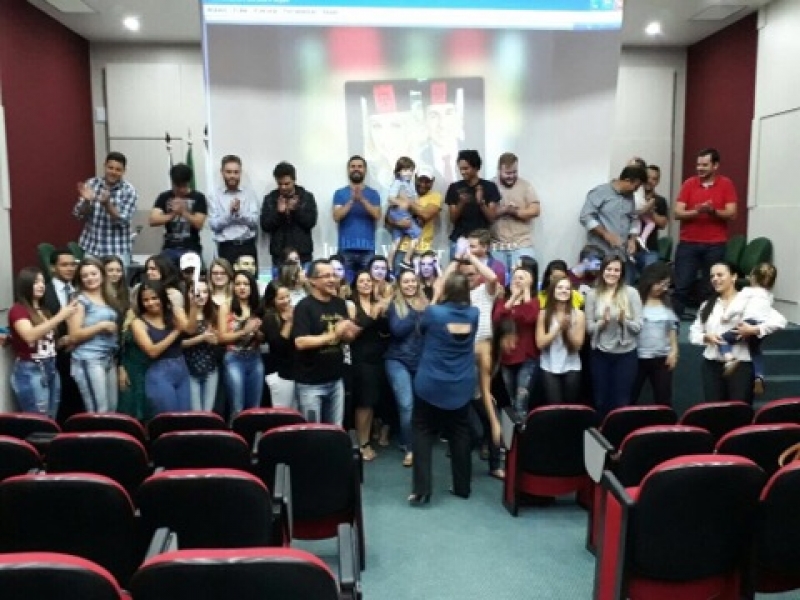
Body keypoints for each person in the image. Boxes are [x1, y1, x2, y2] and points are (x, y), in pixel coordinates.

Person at [410, 271, 479, 505]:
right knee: (460, 433)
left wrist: (435, 296)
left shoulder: (434, 312)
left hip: (430, 383)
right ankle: (462, 488)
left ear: (446, 290)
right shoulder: (474, 313)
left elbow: (420, 329)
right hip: (461, 384)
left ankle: (422, 489)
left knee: (422, 431)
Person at [690, 262, 786, 403]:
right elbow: (694, 333)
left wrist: (755, 329)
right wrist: (706, 337)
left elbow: (779, 321)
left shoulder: (750, 298)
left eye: (720, 275)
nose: (715, 279)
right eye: (712, 276)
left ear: (734, 277)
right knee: (713, 409)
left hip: (742, 365)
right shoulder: (706, 305)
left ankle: (757, 376)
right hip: (712, 364)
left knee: (740, 409)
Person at [292, 259, 361, 425]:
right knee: (313, 432)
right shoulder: (304, 306)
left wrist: (351, 332)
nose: (332, 280)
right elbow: (300, 342)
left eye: (334, 275)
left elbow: (346, 338)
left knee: (335, 431)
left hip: (336, 380)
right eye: (326, 276)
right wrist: (333, 334)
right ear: (313, 281)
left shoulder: (340, 304)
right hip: (310, 384)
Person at [673, 148, 738, 319]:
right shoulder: (689, 184)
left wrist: (713, 211)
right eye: (698, 165)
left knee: (710, 287)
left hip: (715, 245)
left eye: (704, 165)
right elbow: (677, 213)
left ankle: (708, 321)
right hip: (688, 243)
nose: (700, 168)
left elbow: (732, 213)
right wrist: (698, 211)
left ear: (715, 166)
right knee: (681, 285)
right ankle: (673, 323)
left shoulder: (726, 184)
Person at [455, 248, 503, 479]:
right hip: (462, 361)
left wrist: (472, 257)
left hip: (484, 357)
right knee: (467, 424)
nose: (469, 278)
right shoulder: (456, 298)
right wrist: (458, 262)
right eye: (464, 275)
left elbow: (492, 277)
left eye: (472, 274)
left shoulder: (485, 292)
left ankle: (495, 464)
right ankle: (462, 464)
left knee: (490, 415)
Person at [9, 267, 78, 418]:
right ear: (25, 285)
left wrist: (64, 341)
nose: (41, 285)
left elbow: (45, 344)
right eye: (35, 282)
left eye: (42, 282)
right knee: (38, 420)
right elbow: (29, 336)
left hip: (51, 368)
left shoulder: (44, 310)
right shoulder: (18, 310)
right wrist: (60, 317)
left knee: (51, 418)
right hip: (31, 370)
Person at [585, 255, 643, 419]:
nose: (612, 273)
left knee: (621, 401)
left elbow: (638, 327)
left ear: (621, 273)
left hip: (625, 355)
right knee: (600, 399)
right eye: (609, 269)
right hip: (600, 354)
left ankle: (618, 433)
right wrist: (602, 323)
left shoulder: (632, 293)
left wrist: (624, 321)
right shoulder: (592, 294)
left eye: (616, 270)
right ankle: (601, 432)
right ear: (602, 271)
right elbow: (589, 328)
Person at [131, 279, 196, 415]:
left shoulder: (175, 312)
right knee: (168, 419)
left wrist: (193, 305)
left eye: (154, 298)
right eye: (145, 300)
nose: (150, 303)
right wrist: (176, 332)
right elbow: (152, 351)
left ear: (162, 297)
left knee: (185, 417)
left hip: (182, 369)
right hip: (159, 374)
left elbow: (190, 330)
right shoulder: (138, 323)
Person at [385, 269, 428, 468]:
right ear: (399, 285)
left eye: (413, 281)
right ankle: (409, 448)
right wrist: (414, 311)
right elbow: (398, 330)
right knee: (406, 405)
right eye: (406, 282)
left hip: (421, 361)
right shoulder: (395, 305)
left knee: (420, 406)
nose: (410, 285)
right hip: (397, 360)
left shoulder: (427, 304)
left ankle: (411, 441)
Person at [67, 257, 121, 413]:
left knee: (112, 408)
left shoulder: (108, 297)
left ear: (102, 274)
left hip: (109, 358)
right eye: (85, 276)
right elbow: (74, 335)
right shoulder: (79, 300)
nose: (90, 278)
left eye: (93, 274)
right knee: (99, 411)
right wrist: (100, 326)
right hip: (89, 359)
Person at [719, 263, 779, 394]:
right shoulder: (769, 296)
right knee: (755, 350)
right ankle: (759, 376)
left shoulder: (747, 291)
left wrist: (726, 316)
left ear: (753, 278)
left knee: (723, 339)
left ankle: (729, 359)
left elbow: (736, 307)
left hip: (748, 323)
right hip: (761, 327)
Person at [579, 165, 647, 282]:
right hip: (598, 251)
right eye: (635, 187)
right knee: (595, 286)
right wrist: (606, 234)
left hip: (620, 254)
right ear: (627, 180)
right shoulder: (600, 192)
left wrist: (632, 239)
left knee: (623, 288)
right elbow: (585, 216)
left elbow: (633, 218)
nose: (635, 191)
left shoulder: (630, 197)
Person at [349, 271, 391, 462]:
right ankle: (362, 443)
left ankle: (365, 439)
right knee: (363, 402)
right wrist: (373, 316)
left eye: (369, 281)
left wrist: (383, 313)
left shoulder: (377, 303)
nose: (366, 284)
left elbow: (385, 331)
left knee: (372, 401)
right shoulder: (351, 305)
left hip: (378, 358)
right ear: (356, 285)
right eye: (362, 281)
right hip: (360, 358)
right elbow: (353, 332)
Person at [73, 152, 138, 267]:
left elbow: (123, 221)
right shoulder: (91, 184)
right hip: (91, 248)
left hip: (117, 250)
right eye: (110, 168)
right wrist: (87, 201)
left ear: (124, 171)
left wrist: (107, 205)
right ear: (104, 166)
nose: (113, 172)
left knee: (117, 279)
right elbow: (79, 215)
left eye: (118, 169)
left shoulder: (129, 190)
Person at [492, 266, 540, 416]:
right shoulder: (503, 301)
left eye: (522, 278)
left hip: (527, 358)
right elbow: (497, 319)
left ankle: (522, 428)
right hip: (506, 357)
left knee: (521, 401)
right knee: (510, 399)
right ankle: (512, 428)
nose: (518, 280)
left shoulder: (534, 301)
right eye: (515, 277)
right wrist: (513, 297)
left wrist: (526, 292)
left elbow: (530, 317)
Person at [42, 248, 82, 421]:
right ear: (53, 268)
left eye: (73, 265)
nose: (70, 268)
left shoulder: (80, 290)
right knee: (58, 408)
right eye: (64, 265)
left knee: (80, 408)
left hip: (80, 356)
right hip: (55, 358)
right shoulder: (43, 292)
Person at [218, 270, 265, 419]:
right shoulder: (226, 306)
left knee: (255, 408)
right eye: (238, 284)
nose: (242, 287)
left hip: (255, 357)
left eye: (246, 284)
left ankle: (253, 434)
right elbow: (221, 338)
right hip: (234, 358)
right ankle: (235, 434)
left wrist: (257, 333)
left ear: (252, 287)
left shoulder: (257, 306)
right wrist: (244, 331)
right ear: (233, 286)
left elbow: (263, 338)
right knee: (237, 407)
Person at [632, 262, 678, 407]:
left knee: (664, 399)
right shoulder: (636, 299)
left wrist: (674, 351)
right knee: (630, 397)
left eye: (667, 285)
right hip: (636, 357)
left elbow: (672, 327)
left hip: (662, 358)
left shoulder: (667, 302)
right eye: (660, 284)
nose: (663, 288)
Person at [261, 161, 318, 273]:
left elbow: (311, 222)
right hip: (279, 255)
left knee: (304, 283)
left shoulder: (306, 197)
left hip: (303, 254)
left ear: (294, 180)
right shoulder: (270, 199)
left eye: (287, 184)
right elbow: (265, 226)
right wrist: (279, 213)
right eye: (280, 184)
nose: (283, 187)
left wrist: (295, 211)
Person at [536, 275, 586, 405]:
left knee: (570, 407)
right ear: (553, 291)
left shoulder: (579, 315)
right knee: (554, 407)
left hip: (572, 366)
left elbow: (578, 345)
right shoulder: (543, 314)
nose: (564, 291)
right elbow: (540, 343)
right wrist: (558, 328)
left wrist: (567, 331)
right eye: (560, 287)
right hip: (549, 366)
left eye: (567, 288)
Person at [491, 152, 541, 279]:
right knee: (498, 284)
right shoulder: (490, 186)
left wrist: (515, 212)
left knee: (525, 280)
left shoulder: (525, 186)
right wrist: (503, 210)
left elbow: (535, 210)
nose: (511, 176)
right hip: (496, 246)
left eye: (514, 172)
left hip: (521, 244)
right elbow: (485, 213)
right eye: (507, 173)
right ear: (499, 170)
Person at [149, 163, 208, 267]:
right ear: (172, 182)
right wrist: (173, 214)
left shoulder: (198, 197)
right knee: (163, 271)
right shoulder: (164, 197)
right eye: (177, 186)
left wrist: (183, 212)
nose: (181, 190)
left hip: (191, 248)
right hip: (169, 248)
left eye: (184, 186)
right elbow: (153, 220)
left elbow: (199, 224)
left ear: (189, 182)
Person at [332, 156, 382, 280]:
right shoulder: (340, 193)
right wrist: (352, 200)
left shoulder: (373, 193)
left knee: (367, 284)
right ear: (348, 169)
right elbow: (336, 216)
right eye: (353, 166)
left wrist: (362, 199)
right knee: (345, 284)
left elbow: (377, 215)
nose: (356, 169)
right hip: (345, 248)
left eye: (360, 166)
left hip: (367, 249)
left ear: (365, 170)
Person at [385, 167, 442, 274]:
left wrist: (408, 201)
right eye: (420, 180)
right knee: (400, 281)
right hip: (402, 249)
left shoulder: (435, 196)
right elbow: (388, 218)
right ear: (415, 178)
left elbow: (426, 215)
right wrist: (397, 223)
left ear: (432, 181)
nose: (423, 184)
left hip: (424, 250)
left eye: (427, 181)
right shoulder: (402, 190)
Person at [208, 155, 260, 269]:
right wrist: (230, 214)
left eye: (236, 172)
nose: (232, 176)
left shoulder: (249, 193)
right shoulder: (214, 196)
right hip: (226, 247)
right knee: (226, 278)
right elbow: (213, 225)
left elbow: (255, 221)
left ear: (240, 173)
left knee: (249, 279)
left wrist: (239, 213)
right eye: (229, 172)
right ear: (222, 172)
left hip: (247, 245)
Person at [446, 150, 500, 257]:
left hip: (482, 242)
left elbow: (492, 218)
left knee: (482, 268)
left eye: (466, 168)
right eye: (461, 169)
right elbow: (452, 219)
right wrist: (461, 202)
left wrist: (481, 203)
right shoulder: (454, 187)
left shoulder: (490, 187)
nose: (462, 172)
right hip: (459, 239)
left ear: (476, 168)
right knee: (457, 268)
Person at [181, 277, 220, 412]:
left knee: (208, 412)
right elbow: (179, 344)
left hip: (211, 369)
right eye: (196, 292)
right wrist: (202, 337)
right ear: (188, 294)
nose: (201, 296)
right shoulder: (183, 315)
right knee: (196, 413)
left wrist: (215, 339)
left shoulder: (213, 314)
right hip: (189, 370)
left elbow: (219, 340)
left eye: (205, 292)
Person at [262, 281, 297, 409]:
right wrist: (289, 322)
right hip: (280, 374)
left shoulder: (297, 312)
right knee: (282, 413)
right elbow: (278, 347)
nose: (286, 301)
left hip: (296, 372)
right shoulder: (269, 318)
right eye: (281, 298)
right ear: (273, 300)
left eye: (288, 296)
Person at [386, 156, 420, 270]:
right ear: (398, 172)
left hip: (402, 212)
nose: (408, 173)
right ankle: (406, 259)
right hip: (398, 212)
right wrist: (401, 203)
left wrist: (414, 203)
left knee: (396, 240)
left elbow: (414, 197)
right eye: (405, 170)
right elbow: (390, 198)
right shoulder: (398, 183)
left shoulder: (409, 183)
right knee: (417, 234)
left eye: (411, 170)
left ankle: (389, 263)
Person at [635, 164, 669, 268]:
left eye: (654, 179)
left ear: (657, 182)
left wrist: (651, 212)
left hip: (650, 249)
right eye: (647, 177)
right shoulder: (632, 196)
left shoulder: (660, 201)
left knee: (651, 276)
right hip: (630, 248)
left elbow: (663, 224)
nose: (649, 181)